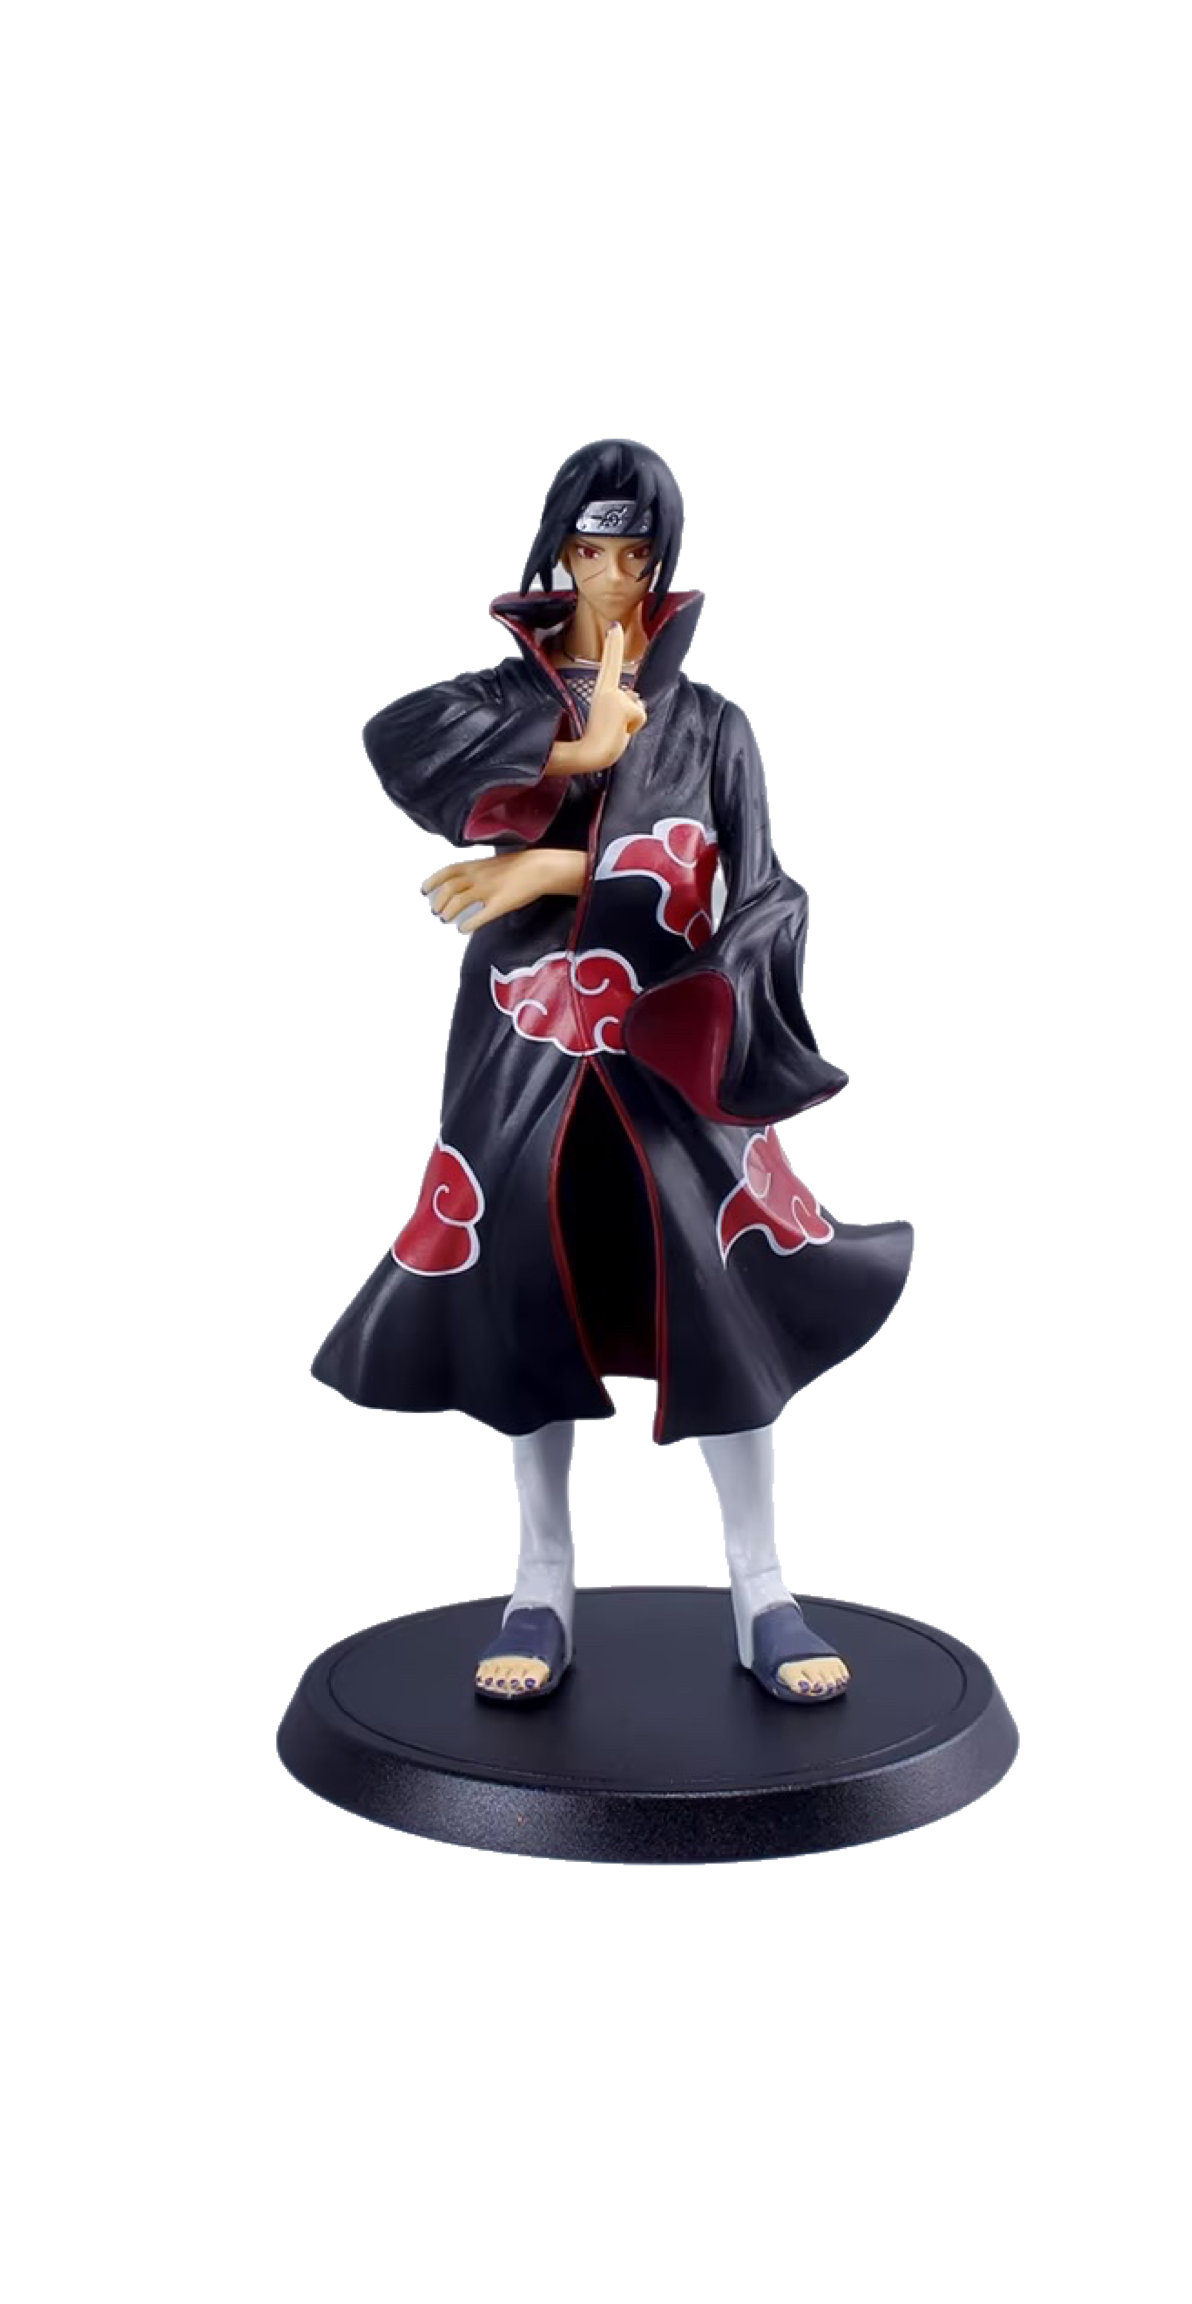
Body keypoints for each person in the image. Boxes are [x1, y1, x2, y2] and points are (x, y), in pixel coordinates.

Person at [309, 438, 914, 1705]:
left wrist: (558, 865)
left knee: (722, 1284)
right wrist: (574, 757)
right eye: (589, 549)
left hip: (669, 1037)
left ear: (663, 563)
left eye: (635, 553)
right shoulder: (507, 695)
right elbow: (399, 742)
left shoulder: (714, 723)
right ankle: (541, 1579)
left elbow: (749, 886)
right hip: (523, 1040)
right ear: (556, 553)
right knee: (526, 1284)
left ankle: (762, 1582)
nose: (610, 575)